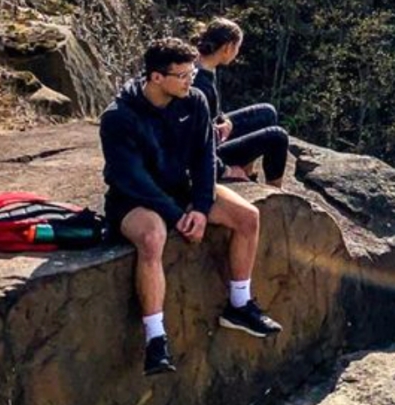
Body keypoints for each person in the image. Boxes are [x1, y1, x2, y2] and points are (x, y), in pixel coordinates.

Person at [101, 38, 282, 376]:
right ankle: (156, 340)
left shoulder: (194, 101)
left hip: (181, 188)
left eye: (192, 72)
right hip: (134, 198)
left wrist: (199, 206)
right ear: (156, 78)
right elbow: (132, 178)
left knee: (247, 216)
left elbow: (203, 158)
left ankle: (239, 304)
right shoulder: (118, 117)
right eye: (182, 75)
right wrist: (177, 216)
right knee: (153, 238)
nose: (191, 80)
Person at [192, 18, 290, 189]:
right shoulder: (199, 84)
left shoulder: (201, 65)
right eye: (237, 47)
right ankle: (274, 193)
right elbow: (195, 144)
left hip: (212, 133)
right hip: (208, 154)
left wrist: (222, 120)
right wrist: (225, 170)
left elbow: (209, 111)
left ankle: (248, 174)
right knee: (278, 136)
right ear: (227, 47)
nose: (237, 52)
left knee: (267, 112)